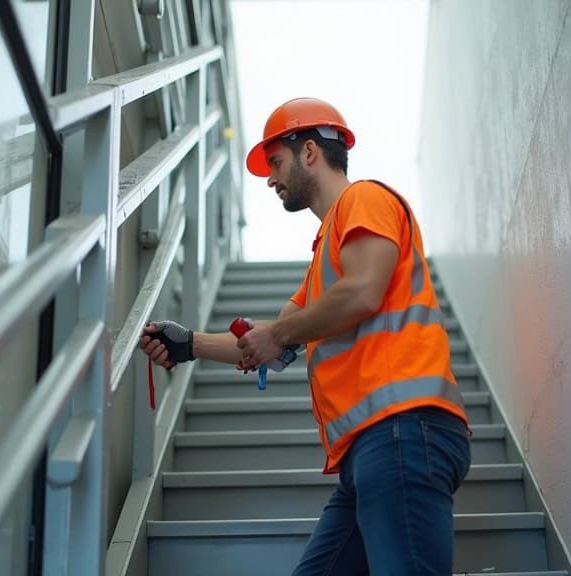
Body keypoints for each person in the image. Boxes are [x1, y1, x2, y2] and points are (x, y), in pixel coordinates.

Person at [139, 97, 471, 575]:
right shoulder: (321, 264)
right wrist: (187, 343)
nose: (270, 179)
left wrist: (281, 333)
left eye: (275, 163)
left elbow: (362, 292)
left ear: (310, 151)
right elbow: (266, 341)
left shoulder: (365, 199)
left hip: (402, 430)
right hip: (369, 450)